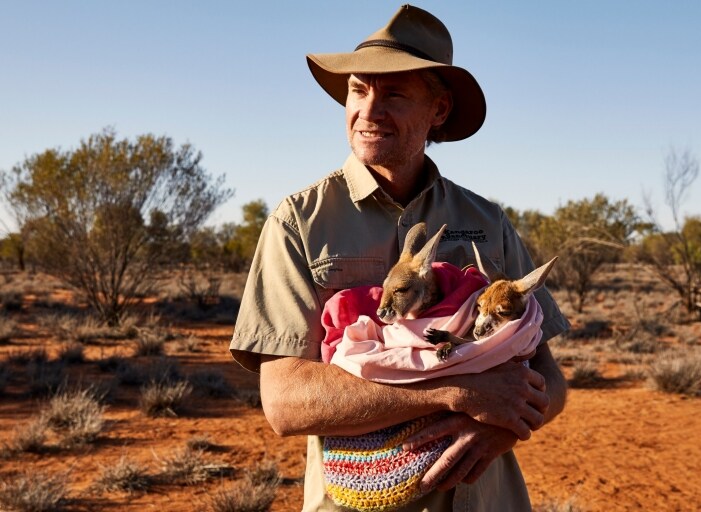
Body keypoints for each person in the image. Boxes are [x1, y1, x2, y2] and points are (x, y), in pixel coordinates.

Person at [230, 4, 570, 511]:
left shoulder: (487, 220)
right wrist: (453, 391)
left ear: (438, 110)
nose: (368, 111)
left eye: (393, 94)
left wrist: (505, 433)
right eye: (358, 90)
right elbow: (284, 403)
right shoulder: (299, 221)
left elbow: (548, 375)